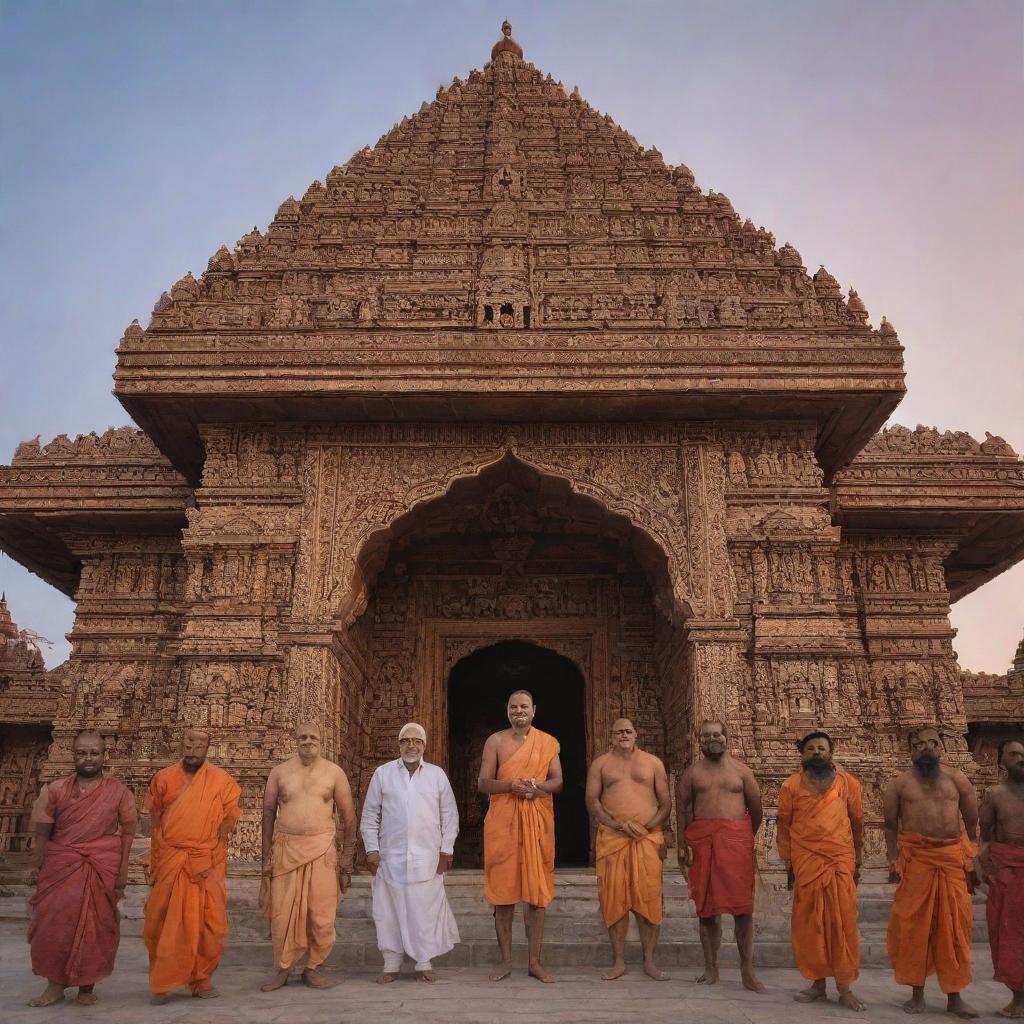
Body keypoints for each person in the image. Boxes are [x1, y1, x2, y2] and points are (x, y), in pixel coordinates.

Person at [25, 729, 136, 1008]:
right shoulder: (55, 790)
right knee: (53, 926)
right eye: (82, 753)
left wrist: (122, 874)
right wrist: (37, 866)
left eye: (94, 753)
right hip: (61, 867)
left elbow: (126, 835)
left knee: (97, 927)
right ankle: (54, 986)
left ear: (103, 756)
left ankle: (87, 986)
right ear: (73, 755)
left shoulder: (119, 792)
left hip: (100, 868)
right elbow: (41, 832)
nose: (88, 758)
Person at [884, 725, 979, 1018]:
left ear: (940, 747)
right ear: (911, 749)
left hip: (951, 859)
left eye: (932, 743)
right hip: (917, 862)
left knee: (954, 931)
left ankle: (955, 995)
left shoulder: (957, 779)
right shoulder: (899, 784)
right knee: (914, 929)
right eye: (920, 744)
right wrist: (893, 861)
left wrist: (972, 859)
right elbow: (889, 824)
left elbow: (971, 820)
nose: (926, 748)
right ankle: (917, 993)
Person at [143, 727, 240, 1003]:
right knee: (161, 923)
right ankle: (161, 983)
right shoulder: (163, 778)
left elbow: (228, 820)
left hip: (206, 860)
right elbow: (156, 822)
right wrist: (158, 860)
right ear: (181, 745)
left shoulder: (222, 781)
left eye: (199, 746)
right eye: (189, 744)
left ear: (208, 748)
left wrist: (212, 854)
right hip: (172, 859)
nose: (193, 750)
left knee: (212, 926)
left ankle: (201, 980)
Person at [361, 722, 460, 983]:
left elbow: (450, 815)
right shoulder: (383, 774)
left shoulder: (437, 775)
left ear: (424, 746)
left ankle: (424, 963)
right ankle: (390, 966)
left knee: (423, 912)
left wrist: (446, 851)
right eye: (406, 741)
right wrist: (372, 850)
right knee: (388, 911)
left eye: (417, 740)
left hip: (427, 859)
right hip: (390, 859)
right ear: (399, 745)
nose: (411, 745)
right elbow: (370, 814)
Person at [260, 722, 356, 992]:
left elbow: (349, 818)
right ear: (295, 741)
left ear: (321, 741)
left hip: (322, 850)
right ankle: (283, 968)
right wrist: (266, 855)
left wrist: (347, 858)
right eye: (302, 737)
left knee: (321, 914)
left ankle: (312, 967)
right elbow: (267, 814)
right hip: (286, 850)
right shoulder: (279, 772)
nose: (307, 741)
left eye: (313, 736)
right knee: (281, 914)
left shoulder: (334, 773)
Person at [478, 688, 562, 983]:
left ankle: (535, 963)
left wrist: (535, 788)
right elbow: (484, 783)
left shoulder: (548, 742)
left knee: (536, 896)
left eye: (524, 706)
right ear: (507, 710)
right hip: (504, 823)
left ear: (534, 710)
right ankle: (505, 961)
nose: (518, 711)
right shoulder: (496, 741)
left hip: (536, 821)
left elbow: (558, 782)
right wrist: (511, 786)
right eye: (513, 706)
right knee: (503, 895)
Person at [777, 731, 865, 1011]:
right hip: (807, 862)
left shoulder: (847, 783)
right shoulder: (790, 786)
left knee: (843, 923)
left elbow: (857, 821)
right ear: (802, 754)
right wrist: (789, 864)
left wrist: (858, 859)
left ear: (831, 752)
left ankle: (845, 986)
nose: (817, 752)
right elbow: (784, 827)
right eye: (811, 748)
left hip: (839, 861)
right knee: (810, 924)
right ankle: (817, 983)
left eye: (822, 748)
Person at [676, 718, 765, 992]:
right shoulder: (692, 774)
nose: (712, 739)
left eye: (717, 734)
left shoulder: (742, 772)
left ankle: (747, 971)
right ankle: (711, 968)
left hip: (736, 844)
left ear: (727, 738)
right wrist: (682, 844)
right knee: (706, 910)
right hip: (703, 843)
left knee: (743, 910)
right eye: (705, 736)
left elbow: (756, 809)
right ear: (698, 741)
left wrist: (741, 835)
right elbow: (682, 810)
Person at [585, 718, 671, 982]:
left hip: (646, 838)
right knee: (615, 902)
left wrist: (646, 827)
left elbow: (665, 803)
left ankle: (649, 961)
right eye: (618, 732)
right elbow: (592, 801)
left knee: (649, 898)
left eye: (628, 731)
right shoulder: (601, 764)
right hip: (613, 839)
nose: (623, 735)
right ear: (611, 736)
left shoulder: (653, 762)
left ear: (636, 734)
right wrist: (616, 824)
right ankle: (619, 961)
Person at [979, 738, 1024, 1019]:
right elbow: (985, 835)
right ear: (1002, 761)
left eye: (1023, 754)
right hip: (1007, 871)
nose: (1020, 759)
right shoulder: (994, 794)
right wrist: (986, 870)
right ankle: (1017, 997)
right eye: (1014, 754)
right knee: (1008, 935)